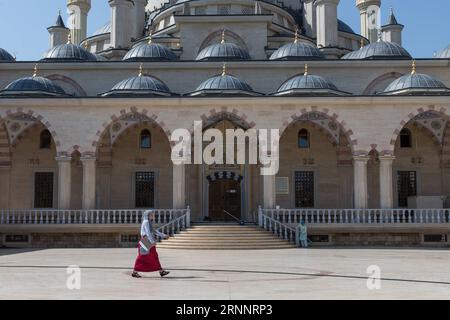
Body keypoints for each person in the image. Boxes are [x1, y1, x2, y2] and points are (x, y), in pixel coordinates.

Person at [132, 210, 170, 278]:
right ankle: (135, 272)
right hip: (145, 240)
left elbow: (154, 231)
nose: (153, 216)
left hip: (148, 240)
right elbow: (147, 232)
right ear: (147, 215)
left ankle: (161, 271)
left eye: (153, 215)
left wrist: (163, 235)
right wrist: (152, 242)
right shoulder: (146, 222)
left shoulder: (149, 222)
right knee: (142, 256)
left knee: (154, 255)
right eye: (151, 215)